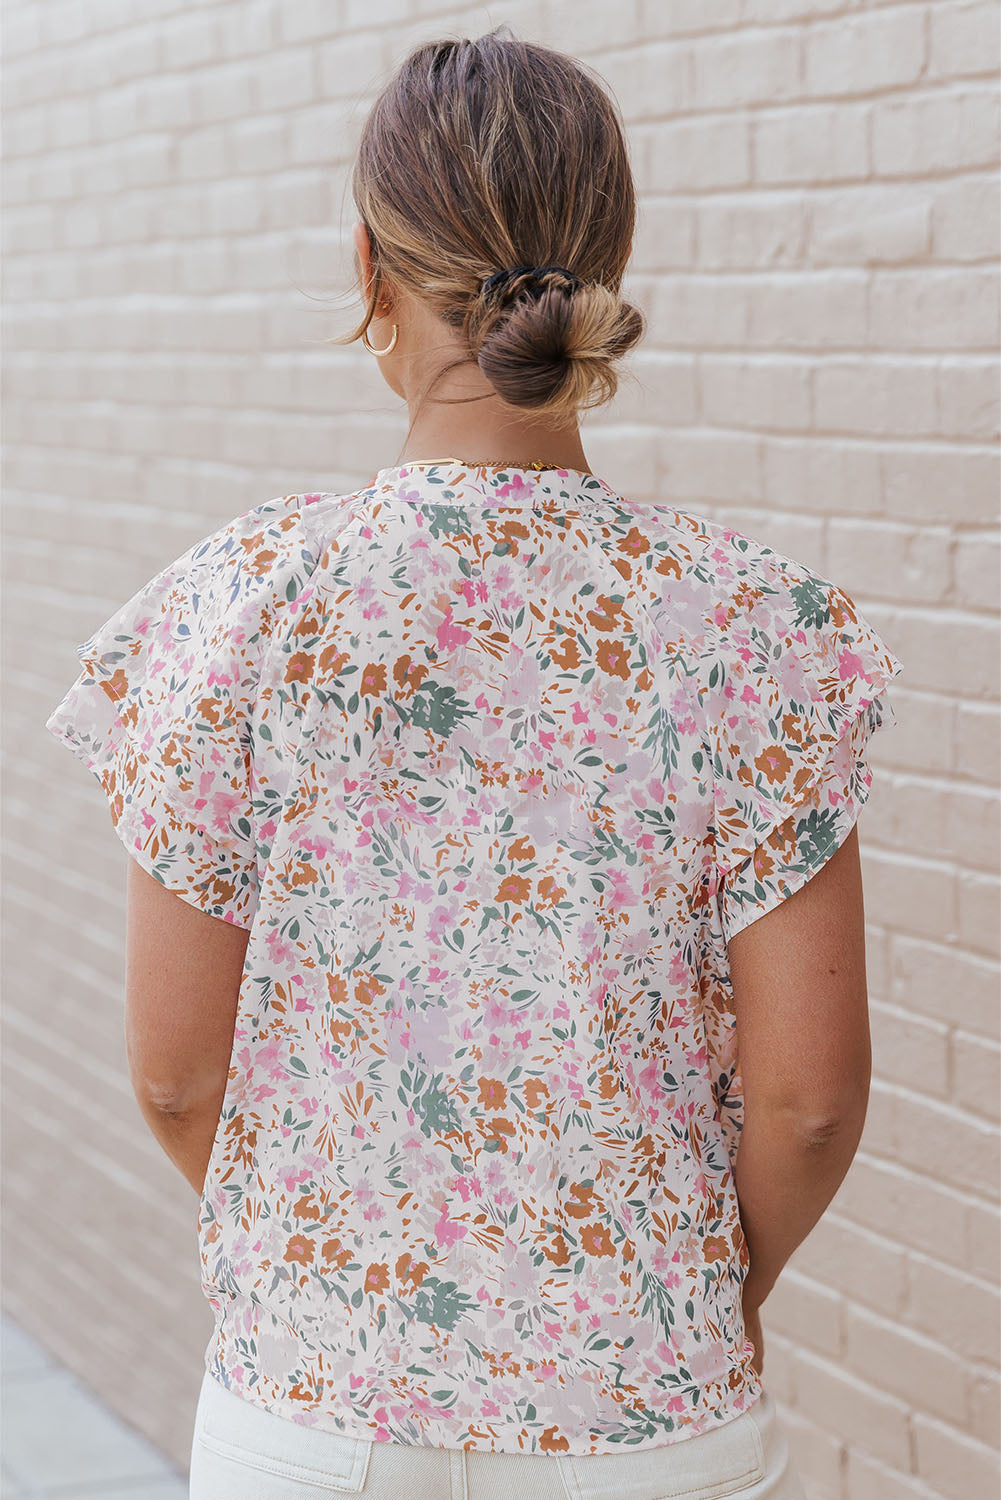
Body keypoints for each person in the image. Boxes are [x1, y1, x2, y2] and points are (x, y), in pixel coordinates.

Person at [45, 26, 902, 1500]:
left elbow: (179, 1075)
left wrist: (333, 1291)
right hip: (651, 1409)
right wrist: (695, 1303)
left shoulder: (242, 604)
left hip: (318, 1409)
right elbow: (809, 1097)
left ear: (368, 271)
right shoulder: (753, 623)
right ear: (606, 274)